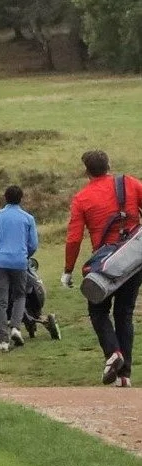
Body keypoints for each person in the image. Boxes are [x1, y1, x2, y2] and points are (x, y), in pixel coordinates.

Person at [62, 150, 142, 385]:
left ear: (86, 172)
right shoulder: (128, 183)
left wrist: (68, 269)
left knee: (98, 311)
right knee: (124, 314)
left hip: (104, 263)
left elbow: (74, 238)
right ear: (109, 165)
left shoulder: (82, 198)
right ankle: (124, 375)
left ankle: (113, 354)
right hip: (133, 260)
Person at [0, 184, 38, 352]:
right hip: (19, 263)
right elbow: (33, 244)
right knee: (20, 296)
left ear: (4, 198)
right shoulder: (28, 218)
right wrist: (24, 256)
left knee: (1, 301)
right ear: (21, 198)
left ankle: (3, 340)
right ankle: (15, 327)